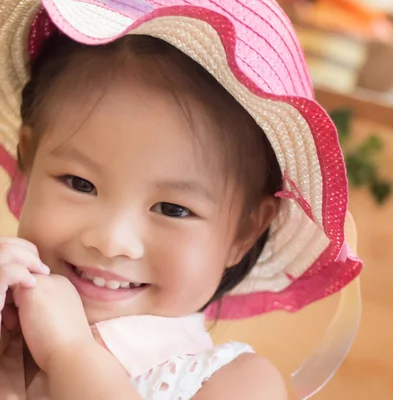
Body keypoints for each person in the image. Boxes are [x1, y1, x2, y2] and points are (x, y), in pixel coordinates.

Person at [0, 0, 363, 399]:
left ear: (246, 230)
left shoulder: (236, 383)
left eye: (173, 209)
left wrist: (69, 355)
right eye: (79, 183)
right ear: (28, 160)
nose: (111, 240)